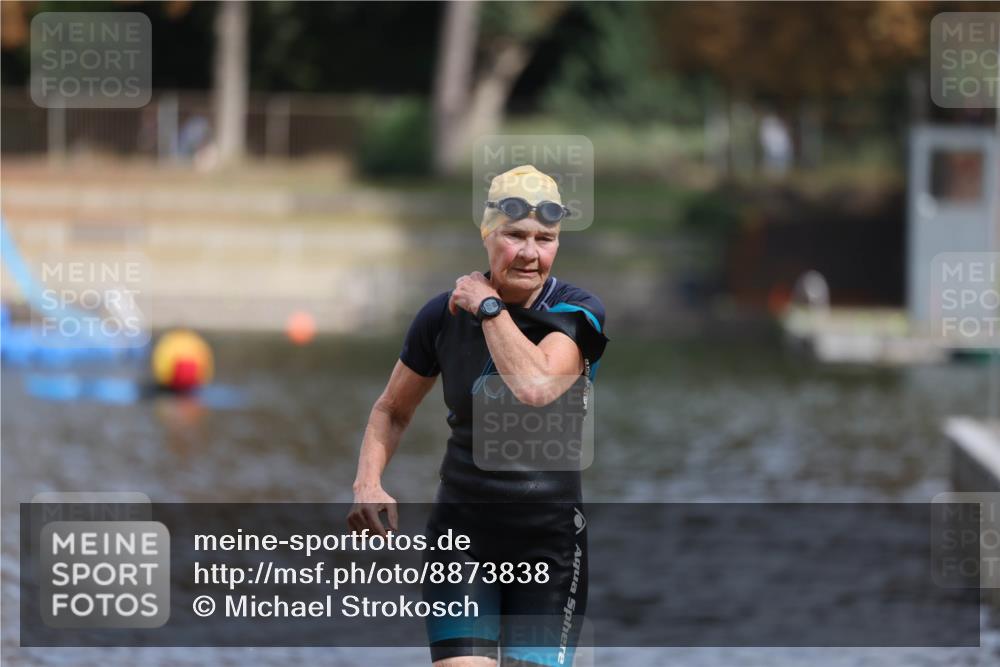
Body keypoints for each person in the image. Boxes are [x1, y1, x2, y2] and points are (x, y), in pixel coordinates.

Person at [349, 164, 608, 666]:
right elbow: (392, 409)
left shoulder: (579, 313)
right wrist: (368, 480)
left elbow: (535, 385)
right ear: (488, 234)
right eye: (515, 236)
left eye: (546, 238)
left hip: (548, 546)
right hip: (461, 539)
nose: (532, 253)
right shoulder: (440, 317)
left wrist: (490, 308)